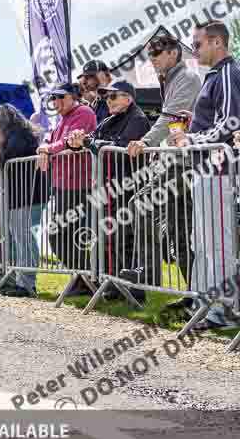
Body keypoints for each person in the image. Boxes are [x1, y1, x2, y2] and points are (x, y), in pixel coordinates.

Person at [168, 20, 240, 330]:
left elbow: (230, 122)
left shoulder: (227, 74)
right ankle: (205, 304)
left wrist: (190, 139)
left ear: (216, 43)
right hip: (206, 170)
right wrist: (193, 121)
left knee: (217, 245)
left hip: (219, 170)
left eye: (197, 44)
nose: (194, 51)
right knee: (205, 243)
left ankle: (223, 310)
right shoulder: (216, 76)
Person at [122, 33, 202, 295]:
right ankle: (194, 295)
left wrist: (146, 142)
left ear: (173, 53)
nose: (151, 59)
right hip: (177, 161)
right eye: (149, 55)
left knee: (140, 204)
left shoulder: (186, 78)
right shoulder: (170, 79)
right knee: (180, 234)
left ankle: (149, 273)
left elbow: (170, 117)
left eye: (156, 53)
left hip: (185, 163)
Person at [67, 81, 151, 301]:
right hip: (108, 186)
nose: (108, 101)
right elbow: (94, 139)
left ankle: (129, 288)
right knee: (109, 238)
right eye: (106, 97)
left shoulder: (138, 119)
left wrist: (89, 142)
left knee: (125, 239)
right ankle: (112, 283)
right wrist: (76, 141)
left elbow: (120, 147)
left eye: (113, 97)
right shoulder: (109, 119)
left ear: (128, 98)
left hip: (127, 187)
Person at [37, 82, 97, 293]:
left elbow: (68, 143)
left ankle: (85, 279)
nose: (56, 102)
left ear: (74, 97)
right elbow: (51, 137)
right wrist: (45, 145)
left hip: (78, 185)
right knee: (63, 234)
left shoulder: (83, 112)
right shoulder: (63, 118)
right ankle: (82, 279)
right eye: (54, 98)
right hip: (63, 184)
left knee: (63, 233)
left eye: (61, 97)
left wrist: (46, 148)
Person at [0, 104, 45, 296]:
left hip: (27, 195)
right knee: (18, 239)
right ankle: (19, 280)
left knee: (24, 239)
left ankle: (27, 284)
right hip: (18, 195)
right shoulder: (15, 135)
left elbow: (14, 153)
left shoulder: (20, 135)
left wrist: (0, 155)